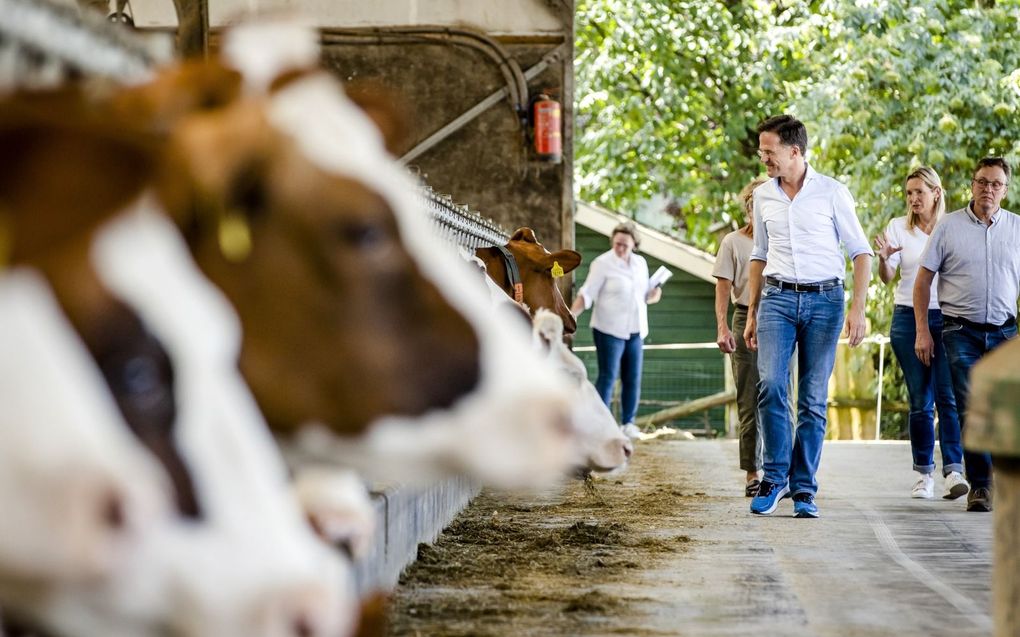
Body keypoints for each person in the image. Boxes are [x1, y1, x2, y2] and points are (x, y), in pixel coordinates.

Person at [744, 114, 873, 518]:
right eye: (763, 151)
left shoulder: (833, 193)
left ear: (794, 151)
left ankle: (804, 489)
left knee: (813, 400)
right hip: (777, 300)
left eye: (770, 151)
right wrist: (752, 311)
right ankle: (775, 477)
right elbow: (759, 255)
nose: (764, 158)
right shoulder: (765, 194)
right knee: (770, 386)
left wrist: (858, 309)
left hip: (826, 302)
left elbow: (861, 252)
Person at [914, 156, 1020, 512]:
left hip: (1006, 332)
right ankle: (981, 486)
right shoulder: (949, 227)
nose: (987, 189)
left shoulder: (1017, 228)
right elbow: (923, 279)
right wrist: (921, 332)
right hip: (960, 329)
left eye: (995, 183)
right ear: (972, 185)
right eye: (981, 182)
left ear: (1005, 189)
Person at [875, 166, 967, 501]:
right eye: (909, 193)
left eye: (920, 192)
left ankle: (954, 471)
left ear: (936, 193)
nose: (913, 199)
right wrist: (883, 260)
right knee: (920, 401)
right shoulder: (898, 228)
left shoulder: (954, 227)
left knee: (949, 397)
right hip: (906, 318)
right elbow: (887, 276)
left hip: (949, 318)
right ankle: (923, 474)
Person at [570, 222, 662, 440]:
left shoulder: (640, 263)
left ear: (634, 245)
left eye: (625, 245)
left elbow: (645, 294)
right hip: (608, 328)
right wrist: (571, 315)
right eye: (617, 243)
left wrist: (654, 294)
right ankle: (601, 425)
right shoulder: (602, 263)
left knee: (632, 377)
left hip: (636, 329)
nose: (620, 248)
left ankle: (628, 424)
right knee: (608, 376)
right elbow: (587, 293)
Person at [714, 177, 768, 497]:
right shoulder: (733, 242)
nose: (756, 210)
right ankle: (753, 472)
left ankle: (782, 468)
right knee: (748, 398)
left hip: (778, 318)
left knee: (779, 397)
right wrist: (722, 327)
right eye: (752, 204)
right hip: (742, 314)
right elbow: (722, 287)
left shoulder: (783, 239)